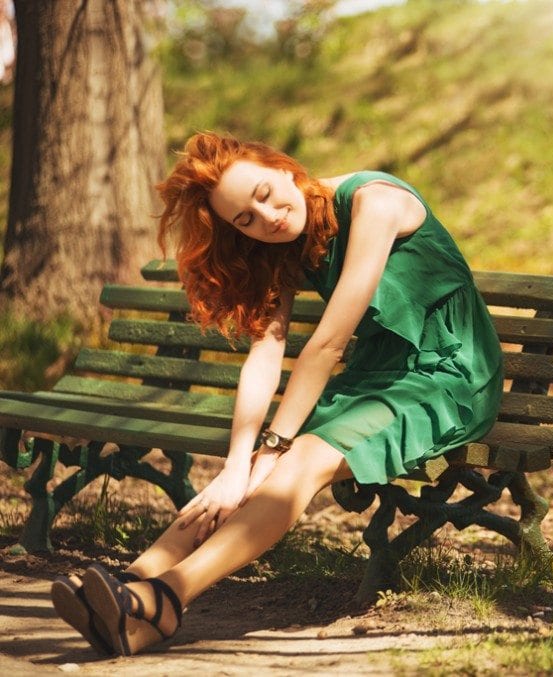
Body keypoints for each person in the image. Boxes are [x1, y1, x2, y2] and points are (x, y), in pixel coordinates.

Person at [49, 131, 504, 656]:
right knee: (239, 480)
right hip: (376, 378)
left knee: (296, 462)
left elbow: (329, 343)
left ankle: (168, 596)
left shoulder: (375, 203)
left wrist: (273, 447)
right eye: (245, 219)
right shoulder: (289, 243)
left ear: (285, 167)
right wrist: (237, 466)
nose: (267, 218)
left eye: (265, 193)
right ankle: (133, 588)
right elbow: (266, 352)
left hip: (448, 378)